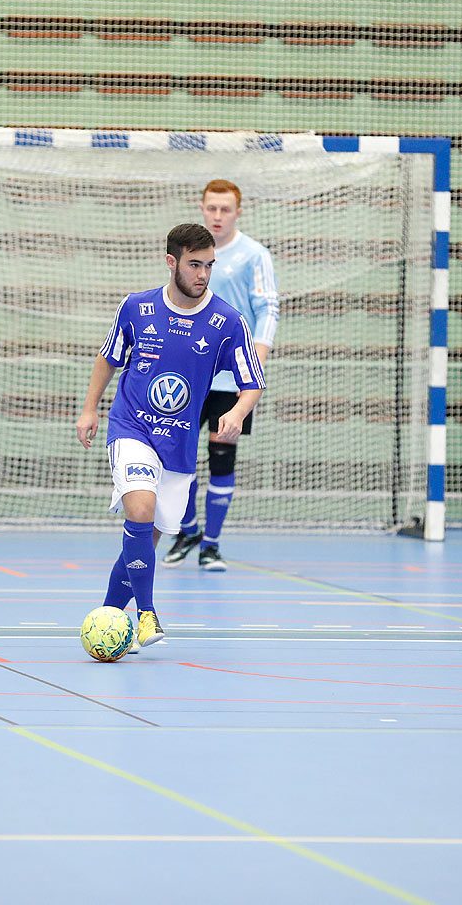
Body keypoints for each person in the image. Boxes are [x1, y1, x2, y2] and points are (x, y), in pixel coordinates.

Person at [76, 222, 264, 647]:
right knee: (139, 511)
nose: (202, 274)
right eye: (194, 264)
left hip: (178, 442)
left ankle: (107, 620)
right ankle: (147, 614)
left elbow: (252, 379)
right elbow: (108, 358)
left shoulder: (227, 321)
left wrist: (235, 411)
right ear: (171, 262)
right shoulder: (136, 307)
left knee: (150, 536)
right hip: (131, 426)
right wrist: (90, 408)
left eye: (209, 266)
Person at [161, 180, 278, 572]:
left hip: (230, 379)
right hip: (190, 376)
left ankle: (211, 544)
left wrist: (255, 357)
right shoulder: (192, 256)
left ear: (237, 212)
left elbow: (268, 308)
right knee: (179, 458)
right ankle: (188, 529)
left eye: (225, 209)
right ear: (202, 208)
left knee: (222, 455)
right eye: (211, 208)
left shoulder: (253, 256)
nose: (217, 215)